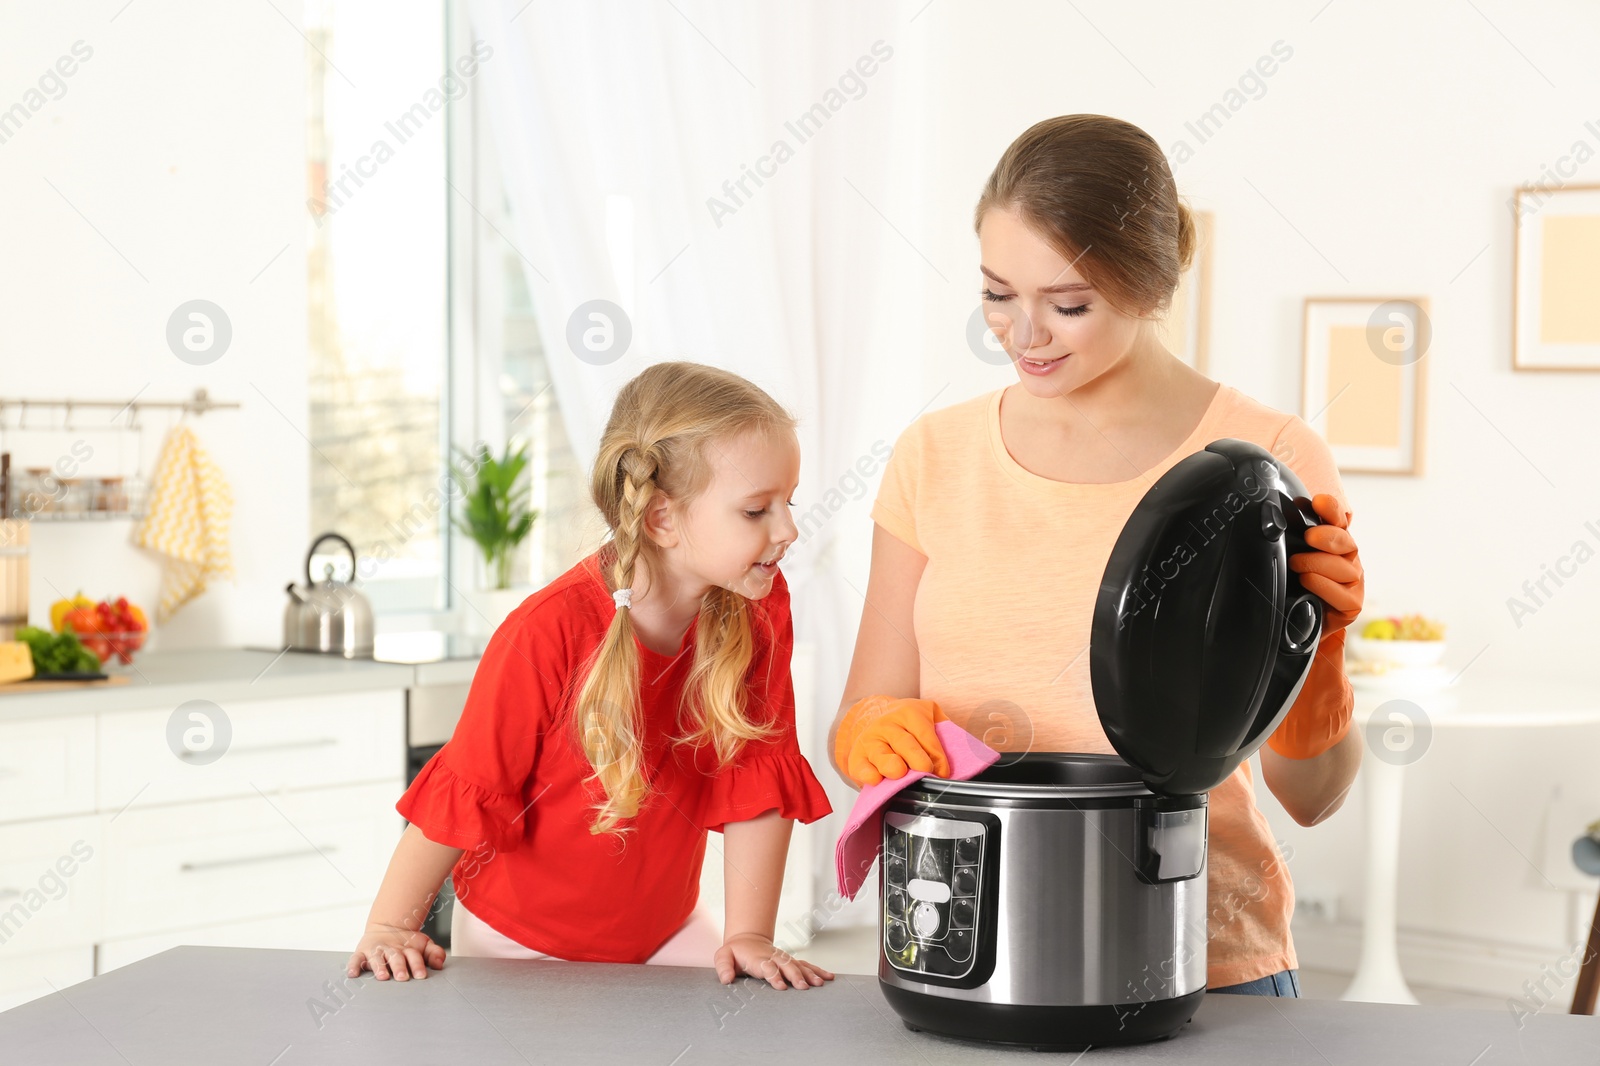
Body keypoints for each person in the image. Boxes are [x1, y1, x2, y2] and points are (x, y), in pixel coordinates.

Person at [828, 114, 1366, 998]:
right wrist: (866, 734)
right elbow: (866, 712)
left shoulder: (1268, 458)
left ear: (1150, 286)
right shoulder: (934, 455)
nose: (1022, 333)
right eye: (998, 293)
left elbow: (1312, 797)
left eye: (1068, 304)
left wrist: (1320, 667)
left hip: (1202, 959)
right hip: (969, 952)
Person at [349, 361, 835, 991]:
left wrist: (748, 937)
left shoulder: (758, 608)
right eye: (755, 510)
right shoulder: (546, 631)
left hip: (665, 931)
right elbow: (468, 782)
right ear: (661, 517)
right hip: (519, 943)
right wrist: (390, 925)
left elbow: (759, 776)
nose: (788, 529)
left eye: (788, 502)